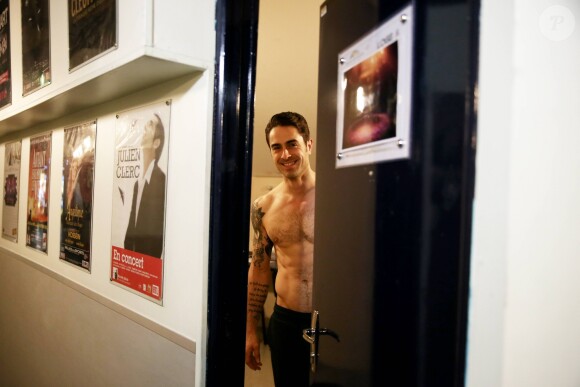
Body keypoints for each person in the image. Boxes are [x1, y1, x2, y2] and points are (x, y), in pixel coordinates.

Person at [245, 112, 315, 387]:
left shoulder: (334, 195)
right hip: (286, 322)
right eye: (277, 147)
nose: (285, 154)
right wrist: (251, 330)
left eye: (292, 144)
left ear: (308, 144)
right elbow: (259, 269)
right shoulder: (263, 207)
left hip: (330, 320)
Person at [124, 113, 166, 258]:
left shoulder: (161, 181)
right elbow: (131, 228)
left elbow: (156, 236)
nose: (145, 126)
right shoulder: (138, 184)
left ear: (156, 143)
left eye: (151, 124)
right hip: (131, 265)